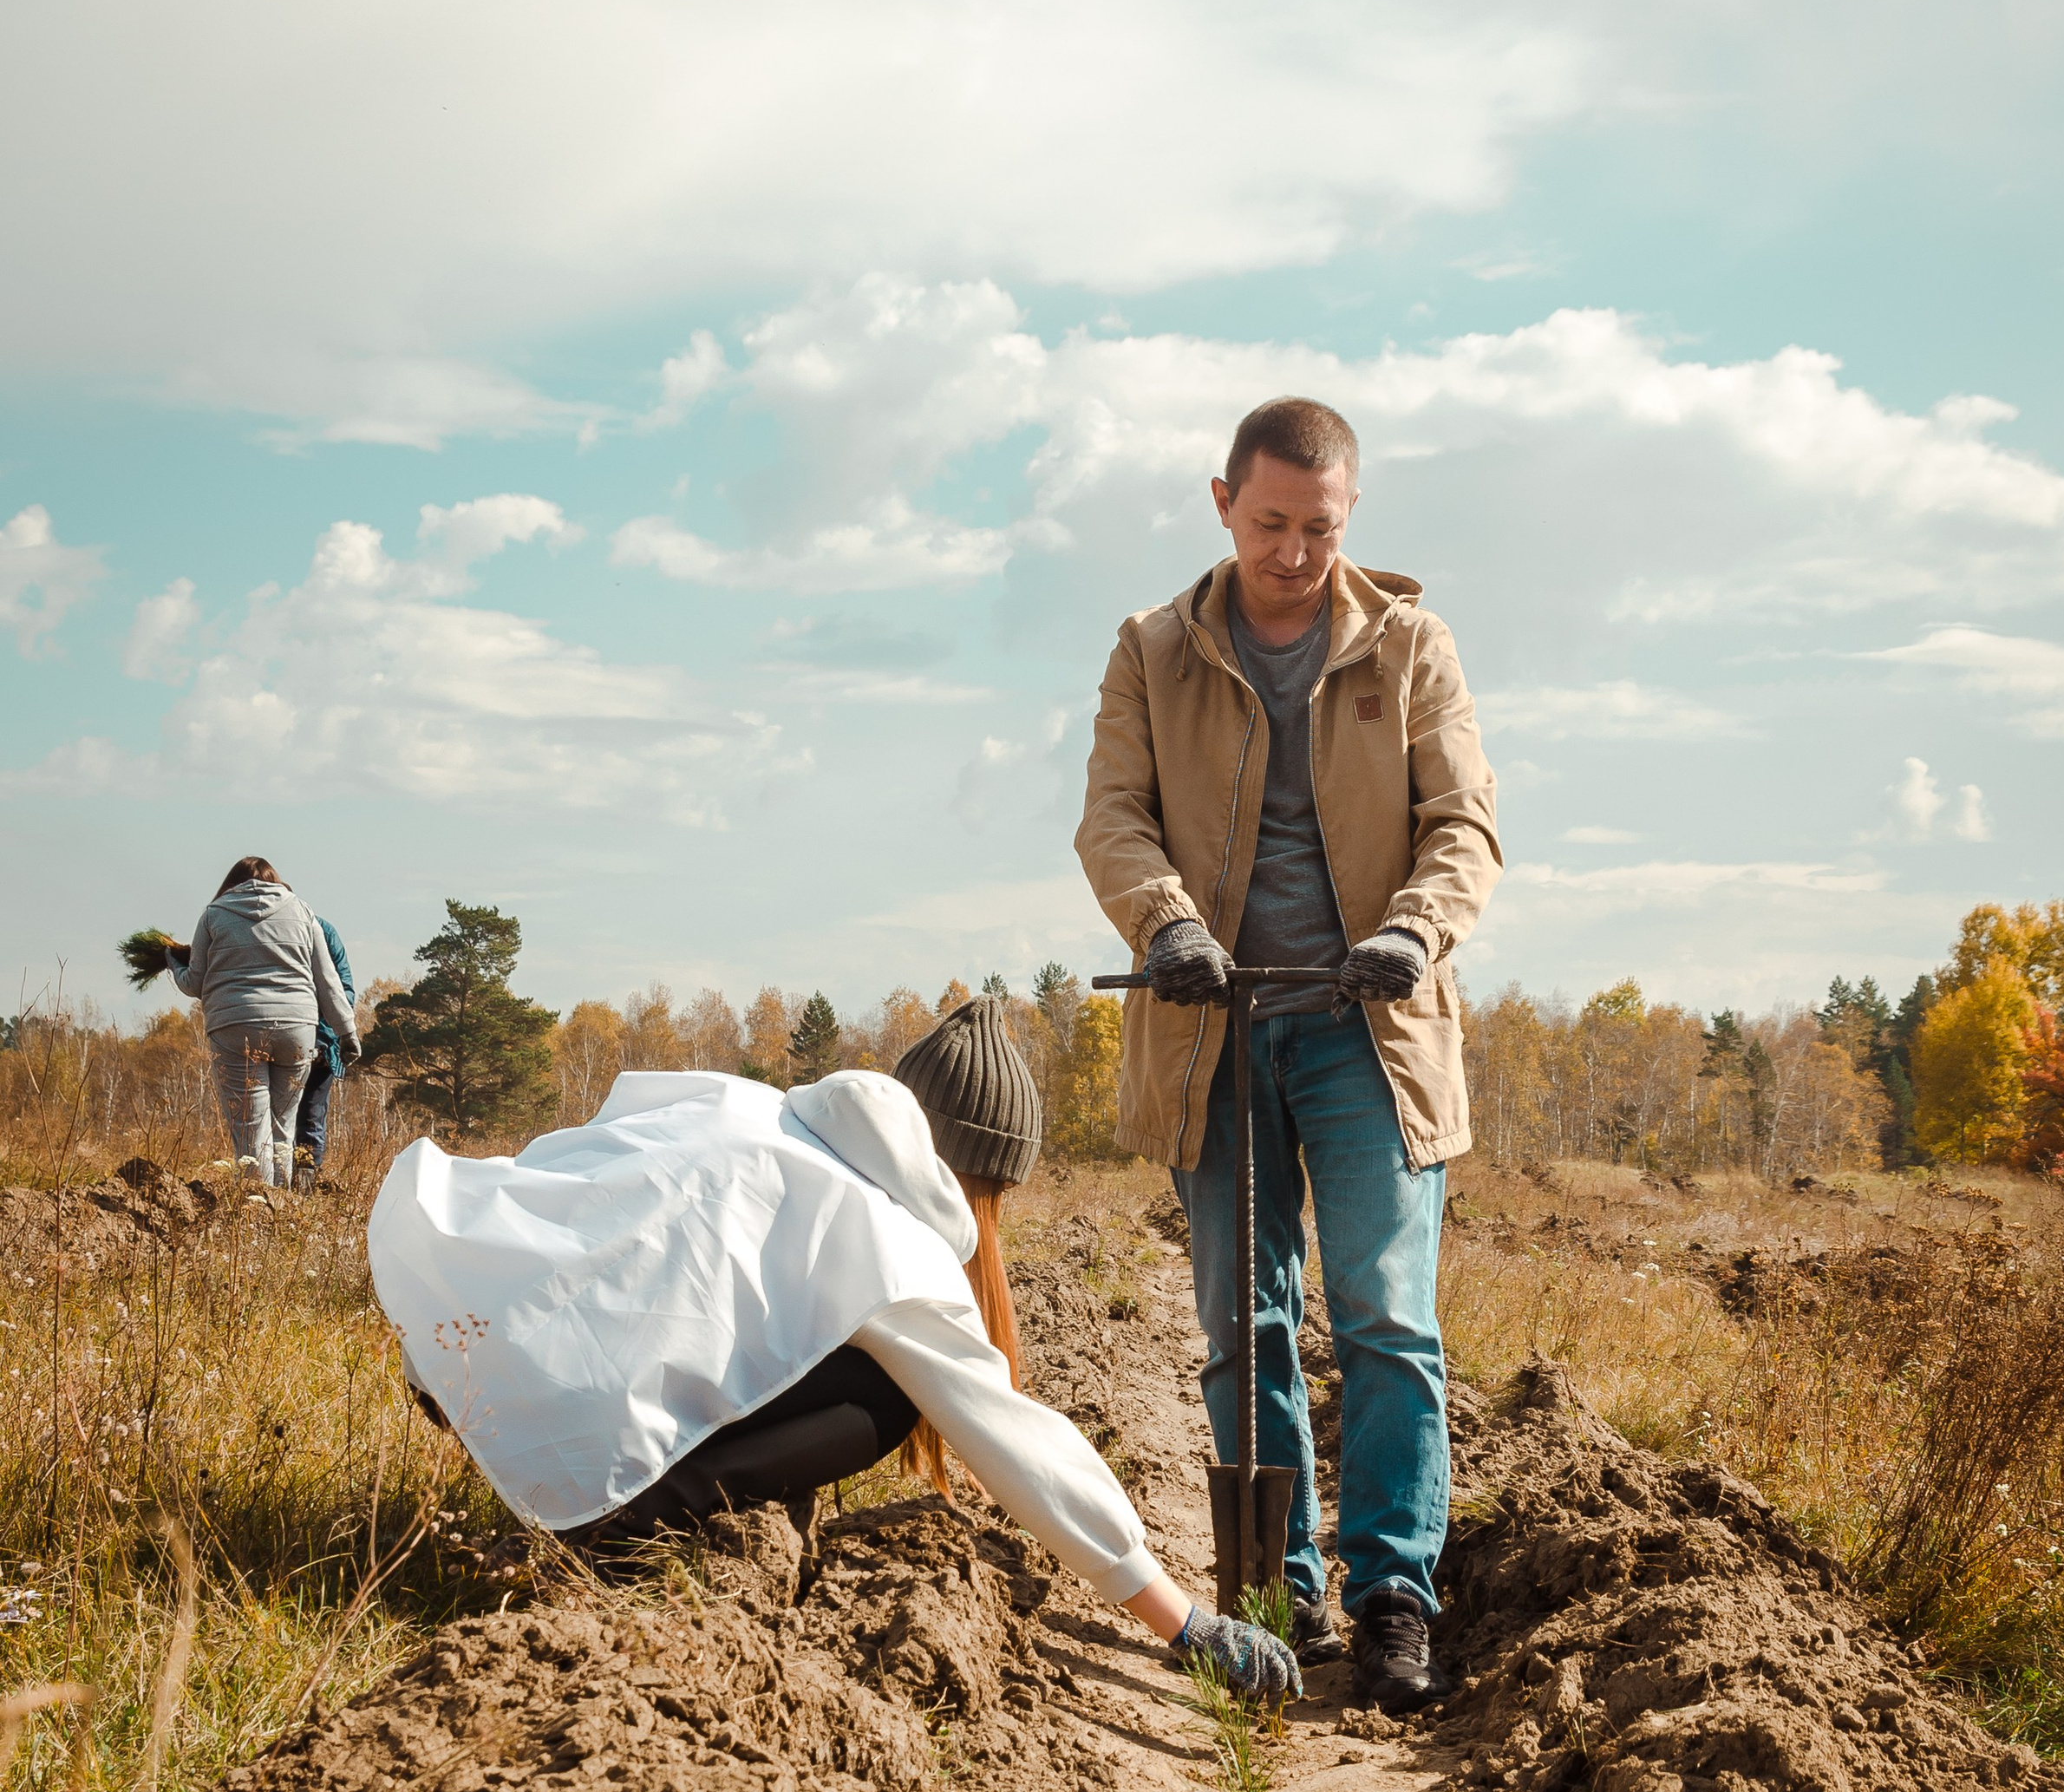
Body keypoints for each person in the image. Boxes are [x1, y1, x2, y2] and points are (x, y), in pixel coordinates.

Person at [368, 992, 1298, 1700]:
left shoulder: (742, 1106)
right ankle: (611, 1534)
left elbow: (595, 1141)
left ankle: (596, 1490)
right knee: (886, 1396)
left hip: (452, 1338)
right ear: (982, 1178)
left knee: (809, 1343)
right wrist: (1185, 1625)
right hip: (571, 1427)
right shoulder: (891, 1244)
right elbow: (1018, 1443)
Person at [1074, 396, 1501, 1715]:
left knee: (1385, 1313)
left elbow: (1467, 828)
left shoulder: (1411, 645)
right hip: (1218, 1031)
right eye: (1269, 524)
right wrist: (1172, 927)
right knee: (1239, 1321)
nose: (1294, 552)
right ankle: (1279, 1588)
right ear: (1222, 503)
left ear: (1350, 516)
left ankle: (1391, 1603)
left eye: (1318, 528)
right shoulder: (1154, 651)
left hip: (1369, 1031)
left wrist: (1412, 936)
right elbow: (1113, 822)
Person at [165, 858, 361, 1194]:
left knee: (250, 1127)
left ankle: (258, 1207)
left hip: (235, 1026)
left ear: (230, 884)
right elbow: (327, 980)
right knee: (283, 1125)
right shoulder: (302, 911)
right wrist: (347, 1032)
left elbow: (195, 983)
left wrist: (172, 964)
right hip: (296, 1027)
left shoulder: (213, 914)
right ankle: (281, 1208)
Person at [291, 908, 357, 1187]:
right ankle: (280, 1186)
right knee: (303, 1115)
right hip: (300, 1037)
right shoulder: (321, 929)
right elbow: (345, 989)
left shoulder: (321, 931)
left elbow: (342, 991)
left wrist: (324, 1038)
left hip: (318, 1042)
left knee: (308, 1114)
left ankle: (301, 1188)